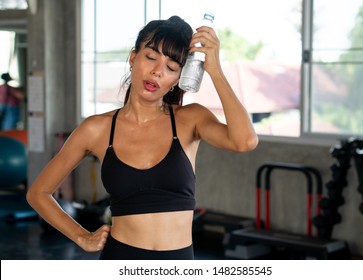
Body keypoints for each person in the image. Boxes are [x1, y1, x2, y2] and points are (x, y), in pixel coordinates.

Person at [26, 15, 258, 260]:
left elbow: (245, 141)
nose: (158, 71)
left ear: (178, 79)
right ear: (133, 58)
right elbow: (38, 193)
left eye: (171, 68)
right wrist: (81, 236)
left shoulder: (190, 119)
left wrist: (216, 71)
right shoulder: (97, 129)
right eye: (150, 57)